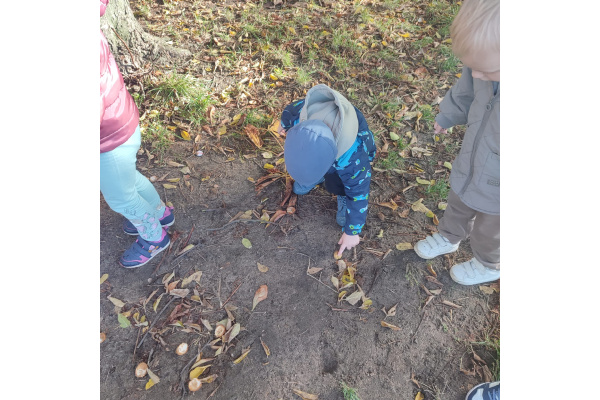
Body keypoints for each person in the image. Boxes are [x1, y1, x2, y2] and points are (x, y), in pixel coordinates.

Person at [413, 0, 500, 285]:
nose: (476, 75)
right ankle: (450, 236)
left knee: (492, 227)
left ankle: (488, 264)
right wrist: (449, 115)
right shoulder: (485, 65)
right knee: (459, 199)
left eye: (484, 71)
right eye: (471, 67)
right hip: (473, 157)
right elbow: (465, 91)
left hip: (501, 181)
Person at [100, 0, 174, 268]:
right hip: (118, 122)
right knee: (128, 181)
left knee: (121, 198)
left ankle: (154, 238)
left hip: (106, 137)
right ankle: (160, 213)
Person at [279, 84, 376, 257]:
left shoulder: (352, 160)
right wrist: (284, 125)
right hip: (324, 150)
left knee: (337, 181)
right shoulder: (301, 117)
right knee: (313, 163)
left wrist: (352, 231)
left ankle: (340, 193)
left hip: (349, 151)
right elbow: (290, 110)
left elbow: (359, 193)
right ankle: (313, 176)